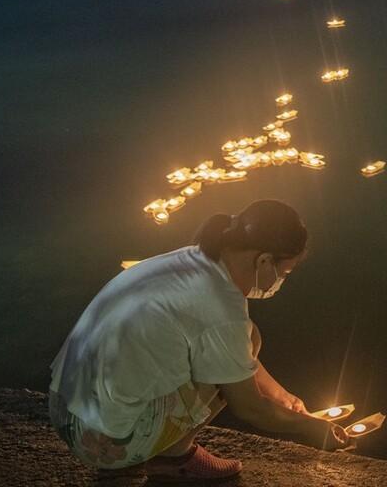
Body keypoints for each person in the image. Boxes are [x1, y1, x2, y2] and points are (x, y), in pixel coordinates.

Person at [47, 199, 348, 480]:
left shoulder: (193, 259)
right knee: (226, 365)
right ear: (264, 261)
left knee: (246, 336)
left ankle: (159, 442)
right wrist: (312, 427)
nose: (281, 280)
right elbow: (249, 407)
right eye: (284, 272)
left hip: (62, 406)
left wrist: (282, 397)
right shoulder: (221, 305)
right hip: (102, 441)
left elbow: (236, 347)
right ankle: (174, 457)